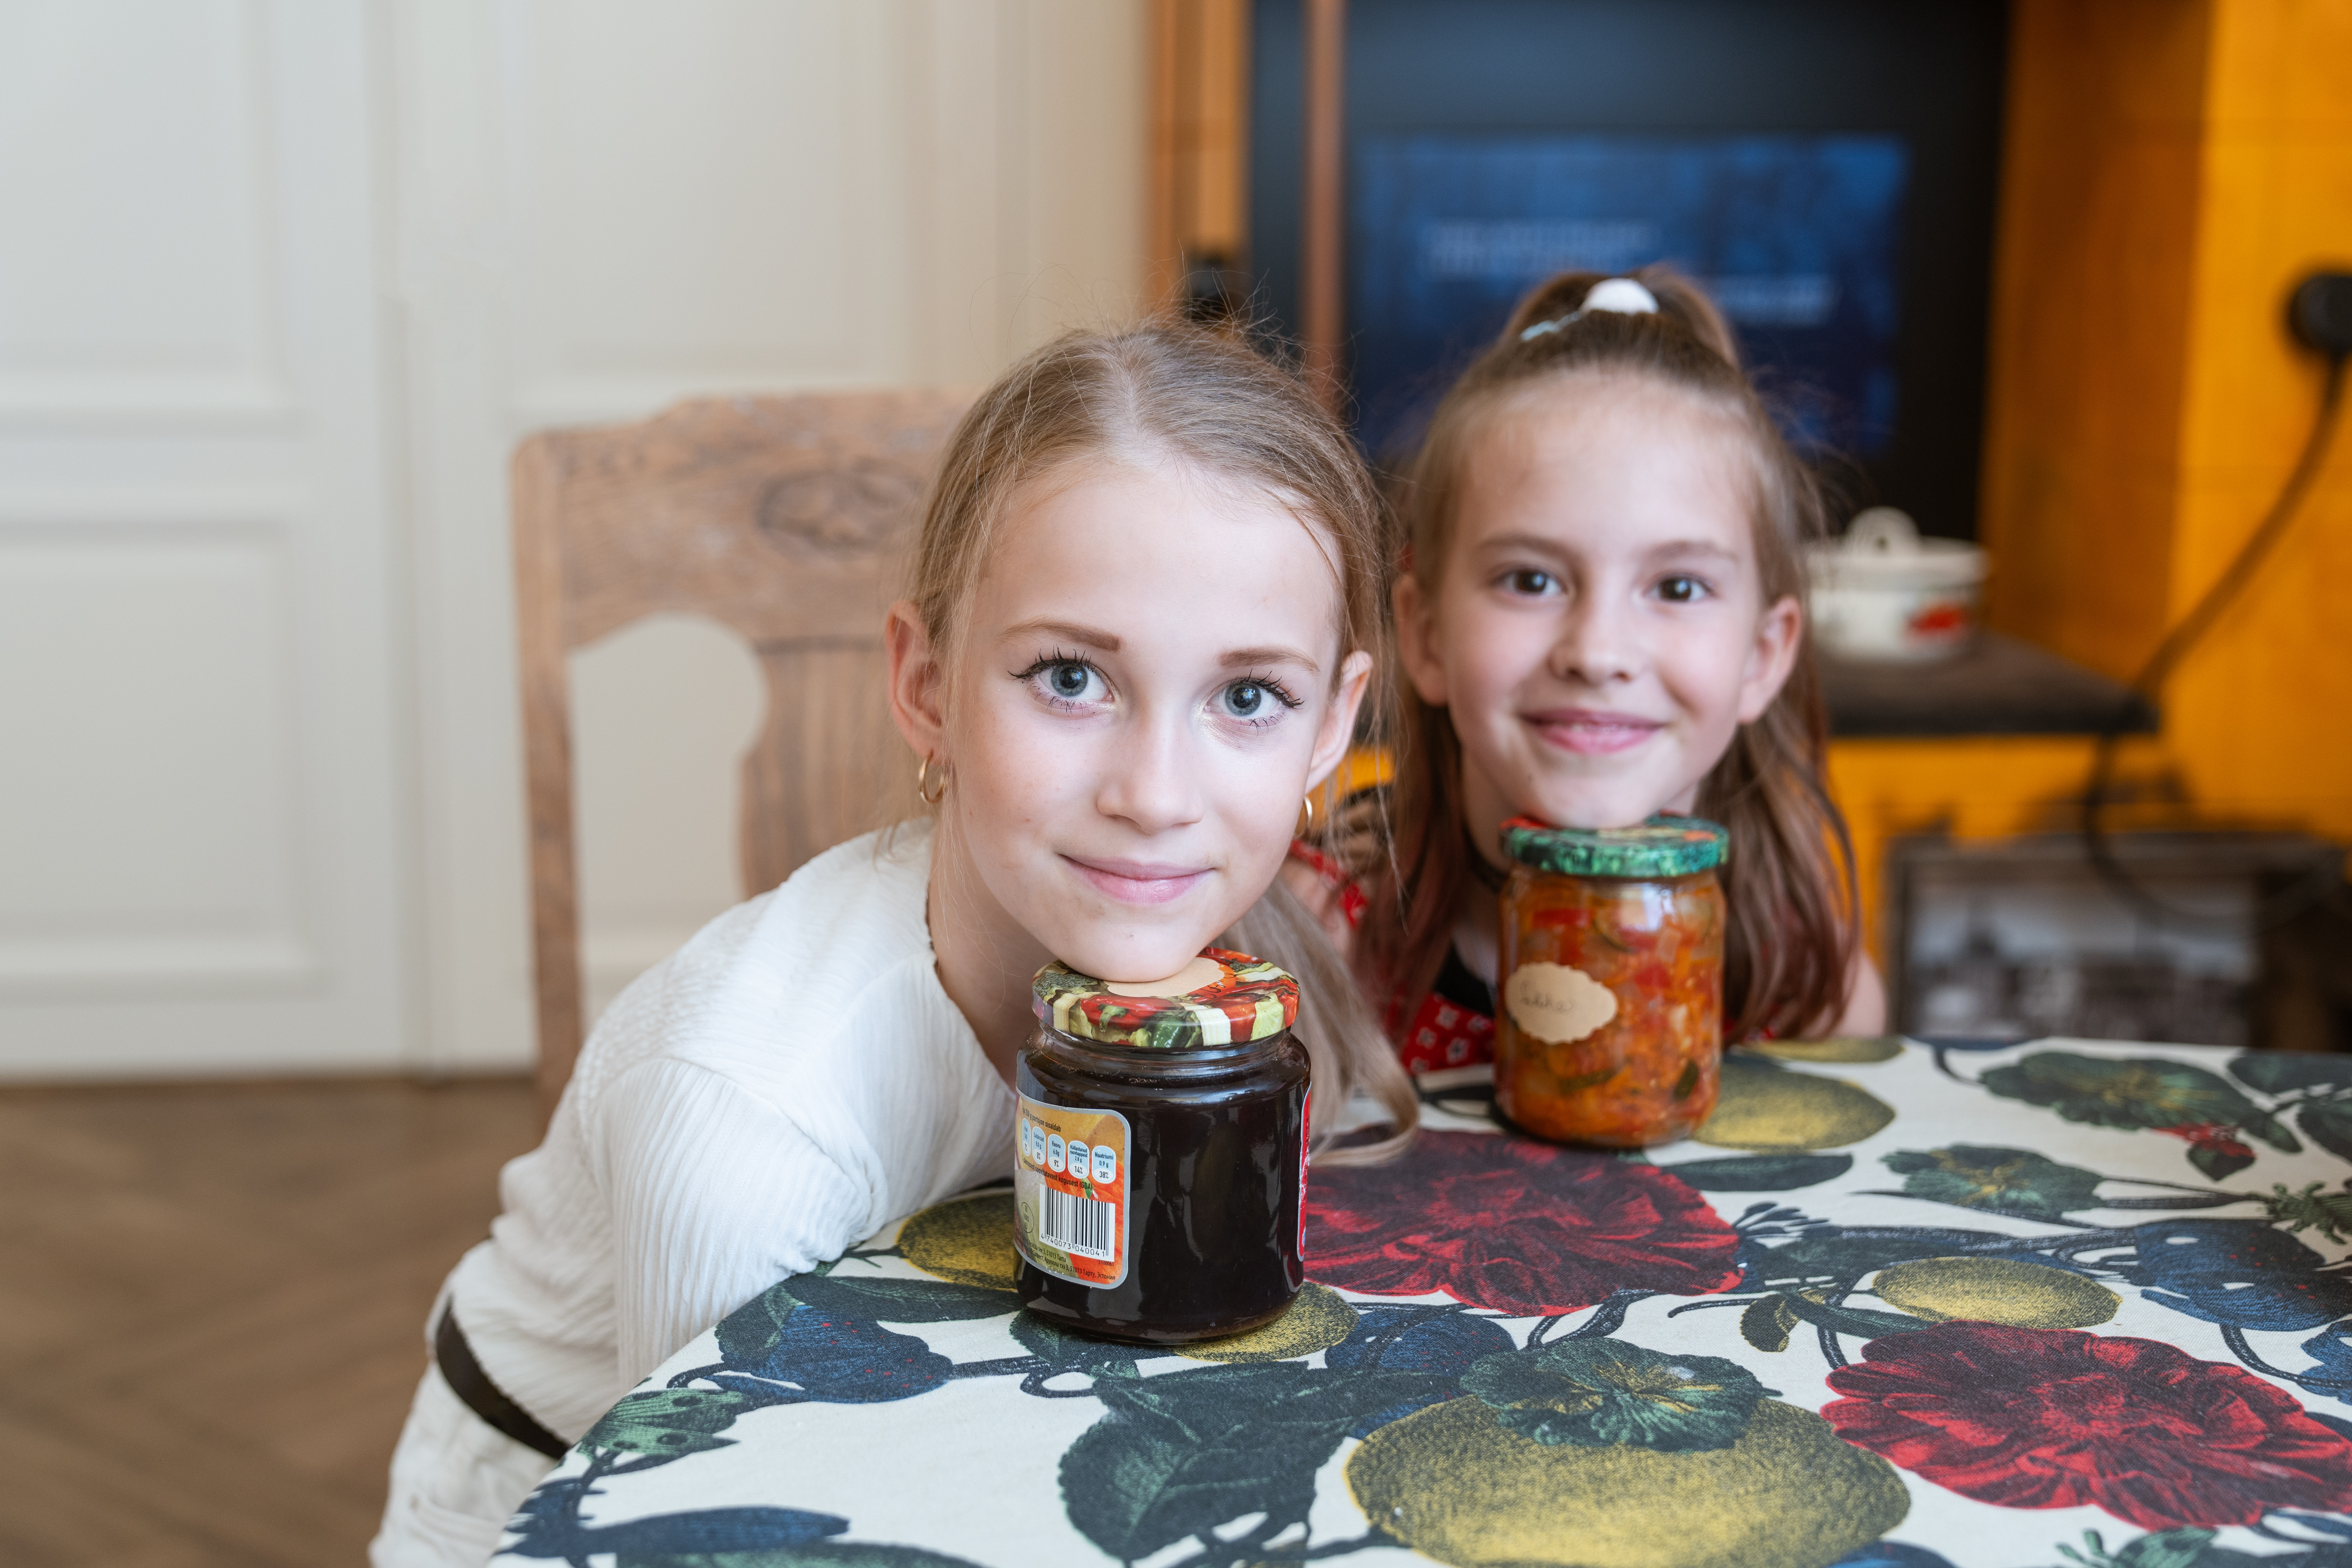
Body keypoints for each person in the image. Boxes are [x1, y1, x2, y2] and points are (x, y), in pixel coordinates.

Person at [371, 321, 1418, 1568]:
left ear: (1327, 728)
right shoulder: (753, 1128)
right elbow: (723, 1518)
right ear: (926, 683)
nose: (1156, 792)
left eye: (1247, 697)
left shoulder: (1219, 950)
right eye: (1071, 678)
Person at [1350, 267, 1887, 1074]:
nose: (1597, 654)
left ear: (1763, 657)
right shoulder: (1323, 947)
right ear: (1425, 633)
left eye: (1676, 587)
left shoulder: (1810, 990)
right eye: (1531, 580)